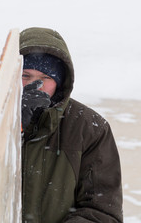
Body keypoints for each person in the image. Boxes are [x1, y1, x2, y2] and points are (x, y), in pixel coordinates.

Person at [20, 27, 123, 223]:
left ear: (60, 81)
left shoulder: (90, 129)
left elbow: (103, 213)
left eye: (45, 78)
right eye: (25, 75)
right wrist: (18, 129)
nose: (35, 85)